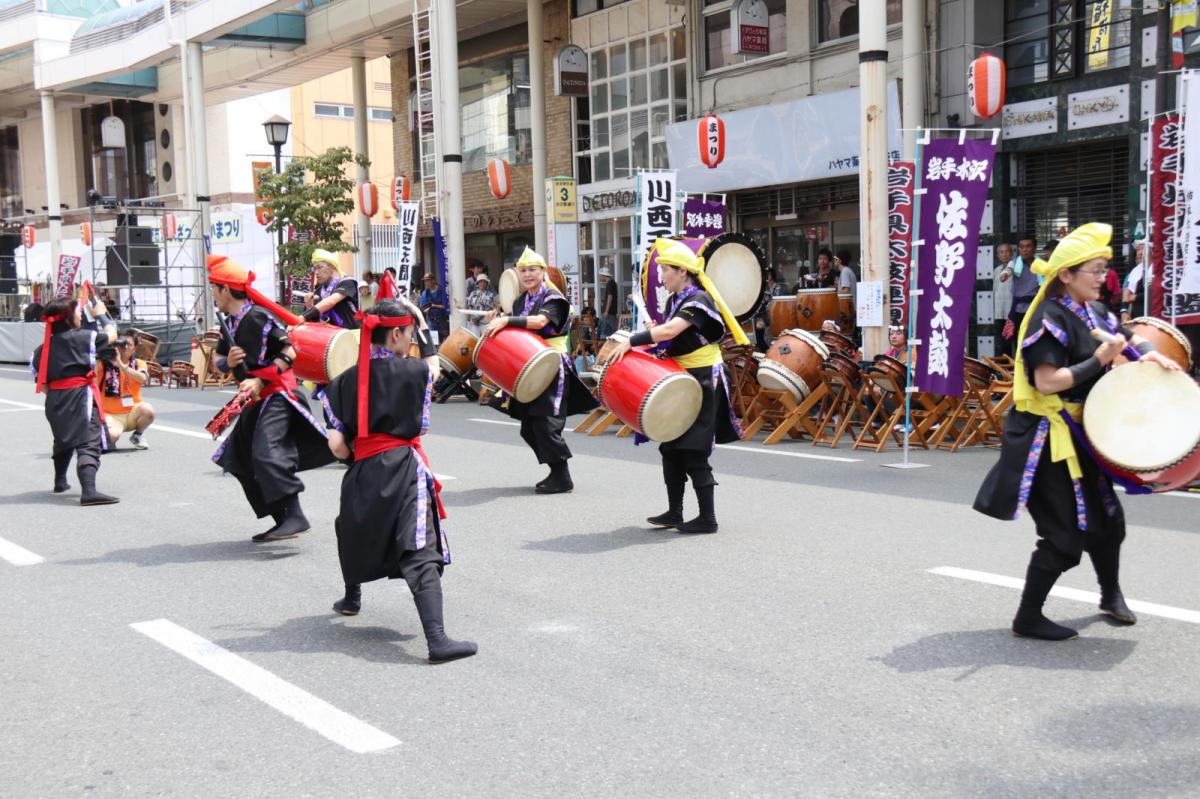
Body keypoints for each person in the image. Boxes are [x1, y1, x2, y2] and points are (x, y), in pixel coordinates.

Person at [973, 223, 1181, 641]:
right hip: (1046, 439)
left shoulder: (1096, 312)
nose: (1102, 277)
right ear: (1065, 274)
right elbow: (1047, 382)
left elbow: (1128, 338)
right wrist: (1100, 359)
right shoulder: (1046, 317)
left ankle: (1110, 594)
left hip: (1084, 432)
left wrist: (1158, 358)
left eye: (1104, 268)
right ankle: (1028, 617)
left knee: (1108, 520)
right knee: (1065, 537)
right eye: (1094, 269)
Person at [321, 299, 476, 664]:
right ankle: (436, 640)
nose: (410, 341)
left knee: (353, 528)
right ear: (396, 333)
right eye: (409, 334)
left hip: (362, 470)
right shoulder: (415, 372)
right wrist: (426, 333)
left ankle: (351, 598)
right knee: (418, 545)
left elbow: (338, 447)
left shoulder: (339, 384)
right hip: (402, 466)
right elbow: (429, 388)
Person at [602, 238, 747, 534]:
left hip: (705, 378)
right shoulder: (675, 301)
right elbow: (667, 335)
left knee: (693, 449)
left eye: (665, 270)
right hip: (683, 377)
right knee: (671, 447)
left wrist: (633, 340)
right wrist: (649, 333)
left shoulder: (698, 300)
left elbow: (670, 330)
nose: (662, 276)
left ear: (682, 272)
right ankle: (674, 512)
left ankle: (708, 518)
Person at [208, 255, 336, 542]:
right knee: (238, 460)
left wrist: (258, 379)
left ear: (226, 290)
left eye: (214, 289)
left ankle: (295, 515)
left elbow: (290, 352)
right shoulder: (229, 323)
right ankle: (284, 518)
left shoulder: (259, 317)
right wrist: (227, 362)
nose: (213, 295)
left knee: (267, 453)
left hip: (278, 395)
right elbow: (217, 359)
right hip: (253, 400)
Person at [481, 247, 597, 493]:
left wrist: (507, 319)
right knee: (528, 427)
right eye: (522, 271)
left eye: (532, 270)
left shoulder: (554, 300)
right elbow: (516, 326)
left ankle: (562, 476)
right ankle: (556, 472)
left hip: (552, 366)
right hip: (528, 365)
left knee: (547, 424)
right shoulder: (521, 300)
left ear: (543, 272)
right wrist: (499, 315)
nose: (527, 275)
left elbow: (540, 322)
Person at [30, 295, 120, 505]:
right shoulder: (83, 337)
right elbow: (112, 334)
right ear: (69, 317)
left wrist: (59, 394)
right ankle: (89, 491)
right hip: (80, 395)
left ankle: (60, 480)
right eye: (78, 311)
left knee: (63, 439)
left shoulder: (41, 349)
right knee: (88, 442)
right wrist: (101, 315)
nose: (81, 314)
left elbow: (41, 383)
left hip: (54, 398)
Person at [98, 330, 155, 450]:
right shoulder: (104, 364)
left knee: (148, 410)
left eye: (128, 344)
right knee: (111, 437)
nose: (124, 347)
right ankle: (105, 437)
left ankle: (138, 435)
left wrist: (122, 366)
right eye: (122, 343)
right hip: (110, 414)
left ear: (134, 349)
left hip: (132, 413)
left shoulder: (139, 363)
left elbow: (142, 378)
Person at [303, 249, 360, 329]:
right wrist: (309, 306)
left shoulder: (347, 283)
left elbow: (330, 302)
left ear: (332, 266)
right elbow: (313, 322)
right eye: (315, 268)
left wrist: (303, 316)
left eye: (319, 267)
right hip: (327, 337)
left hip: (350, 335)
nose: (316, 272)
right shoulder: (319, 291)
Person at [1001, 234, 1040, 345]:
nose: (1024, 250)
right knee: (1014, 338)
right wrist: (1004, 275)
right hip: (1018, 308)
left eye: (1028, 246)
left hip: (1035, 307)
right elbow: (1008, 270)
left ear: (1034, 248)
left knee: (1035, 337)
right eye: (1021, 247)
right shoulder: (1015, 263)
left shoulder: (1041, 264)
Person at [993, 243, 1015, 357]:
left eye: (1006, 251)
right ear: (998, 255)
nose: (1004, 254)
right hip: (998, 311)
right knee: (1000, 341)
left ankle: (1011, 370)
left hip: (1010, 311)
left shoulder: (1015, 268)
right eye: (1001, 252)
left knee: (1010, 342)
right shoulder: (996, 270)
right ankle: (1000, 370)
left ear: (1011, 253)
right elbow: (995, 290)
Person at [756, 269, 784, 351]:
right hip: (765, 313)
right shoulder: (765, 288)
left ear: (772, 276)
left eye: (768, 275)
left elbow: (776, 302)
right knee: (758, 326)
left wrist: (767, 302)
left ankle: (764, 348)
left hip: (774, 313)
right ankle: (762, 347)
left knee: (759, 326)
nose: (766, 277)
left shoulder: (777, 287)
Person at [463, 271, 498, 337]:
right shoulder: (473, 293)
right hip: (473, 323)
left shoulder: (490, 295)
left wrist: (478, 318)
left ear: (487, 284)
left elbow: (488, 308)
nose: (482, 284)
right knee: (474, 341)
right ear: (477, 283)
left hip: (485, 323)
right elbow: (469, 306)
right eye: (480, 282)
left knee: (484, 341)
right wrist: (473, 318)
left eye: (484, 282)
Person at [419, 272, 449, 341]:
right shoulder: (425, 292)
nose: (426, 283)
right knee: (433, 342)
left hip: (442, 320)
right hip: (431, 321)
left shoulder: (442, 290)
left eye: (427, 280)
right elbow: (422, 307)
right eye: (425, 281)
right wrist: (425, 310)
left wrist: (434, 306)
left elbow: (446, 306)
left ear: (433, 280)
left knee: (444, 340)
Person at [599, 266, 618, 337]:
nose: (600, 277)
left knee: (607, 332)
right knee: (611, 331)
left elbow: (610, 297)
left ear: (604, 275)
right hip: (612, 312)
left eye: (601, 275)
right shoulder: (613, 283)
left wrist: (606, 311)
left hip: (610, 313)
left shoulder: (610, 283)